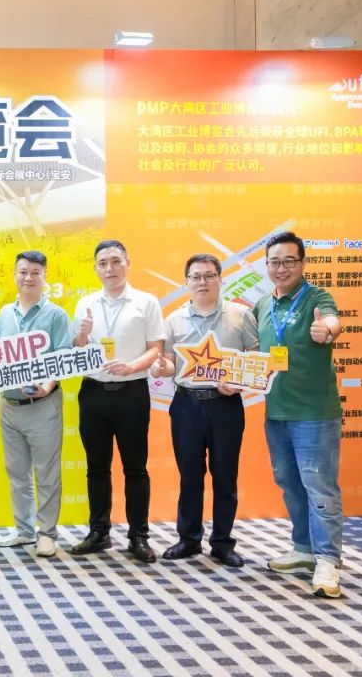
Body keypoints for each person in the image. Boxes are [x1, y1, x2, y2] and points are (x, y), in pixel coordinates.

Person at [150, 253, 257, 568]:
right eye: (195, 276)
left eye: (209, 275)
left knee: (225, 476)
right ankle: (188, 539)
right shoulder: (174, 319)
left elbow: (255, 358)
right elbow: (171, 363)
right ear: (186, 282)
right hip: (187, 405)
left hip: (226, 405)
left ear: (220, 279)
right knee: (190, 476)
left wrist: (238, 383)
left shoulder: (241, 315)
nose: (202, 282)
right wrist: (161, 368)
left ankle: (222, 543)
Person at [253, 231, 343, 598]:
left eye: (289, 261)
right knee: (289, 484)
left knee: (320, 488)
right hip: (276, 412)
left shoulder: (317, 298)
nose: (282, 268)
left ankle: (328, 560)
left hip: (314, 413)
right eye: (274, 262)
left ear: (302, 263)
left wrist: (327, 330)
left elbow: (332, 322)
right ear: (267, 265)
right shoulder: (263, 304)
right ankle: (304, 549)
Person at [71, 239, 165, 563]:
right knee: (96, 467)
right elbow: (77, 350)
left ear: (127, 263)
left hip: (132, 393)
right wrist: (82, 335)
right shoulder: (85, 304)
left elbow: (156, 348)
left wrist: (132, 367)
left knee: (135, 468)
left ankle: (139, 536)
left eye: (115, 261)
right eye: (102, 263)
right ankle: (99, 532)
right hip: (93, 392)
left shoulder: (146, 302)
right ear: (95, 268)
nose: (109, 268)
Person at [0, 251, 72, 559]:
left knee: (46, 473)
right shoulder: (4, 314)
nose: (28, 277)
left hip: (43, 405)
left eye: (36, 272)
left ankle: (46, 533)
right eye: (23, 271)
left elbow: (63, 356)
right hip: (9, 404)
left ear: (45, 277)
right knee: (17, 472)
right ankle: (23, 530)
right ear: (14, 275)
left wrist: (47, 385)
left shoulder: (56, 315)